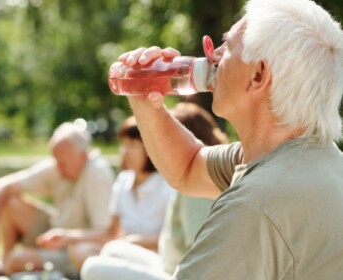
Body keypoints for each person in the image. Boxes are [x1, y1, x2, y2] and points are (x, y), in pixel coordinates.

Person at [111, 0, 343, 279]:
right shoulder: (303, 156)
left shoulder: (254, 206)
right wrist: (145, 100)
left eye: (227, 46)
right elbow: (188, 167)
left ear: (258, 76)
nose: (214, 56)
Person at [81, 103, 228, 280]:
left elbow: (200, 255)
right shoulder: (202, 175)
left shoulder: (195, 186)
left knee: (91, 268)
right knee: (112, 249)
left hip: (178, 274)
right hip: (168, 263)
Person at [35, 115, 175, 277]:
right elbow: (110, 233)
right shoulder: (123, 182)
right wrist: (67, 236)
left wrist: (131, 242)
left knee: (109, 253)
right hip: (123, 250)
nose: (124, 151)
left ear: (150, 148)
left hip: (156, 257)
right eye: (123, 144)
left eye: (132, 145)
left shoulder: (167, 186)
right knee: (80, 251)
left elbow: (171, 237)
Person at [0, 122, 115, 278]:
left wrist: (67, 236)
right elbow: (3, 186)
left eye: (63, 163)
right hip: (56, 234)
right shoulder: (59, 166)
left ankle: (12, 264)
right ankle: (5, 261)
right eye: (56, 160)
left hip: (76, 248)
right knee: (10, 203)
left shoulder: (97, 174)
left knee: (16, 260)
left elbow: (107, 234)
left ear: (83, 156)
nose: (58, 168)